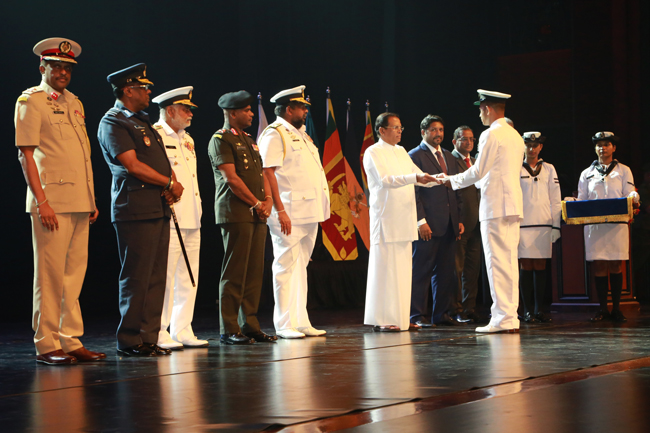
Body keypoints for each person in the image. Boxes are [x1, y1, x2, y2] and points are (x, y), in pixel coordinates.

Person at [15, 37, 105, 365]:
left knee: (73, 275)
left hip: (79, 200)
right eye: (56, 66)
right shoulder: (31, 101)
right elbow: (26, 155)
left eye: (67, 67)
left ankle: (70, 339)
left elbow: (81, 155)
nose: (63, 72)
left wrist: (91, 197)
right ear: (43, 67)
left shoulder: (75, 102)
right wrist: (41, 202)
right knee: (50, 276)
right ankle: (46, 342)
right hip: (51, 200)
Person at [98, 64, 183, 356]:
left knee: (156, 274)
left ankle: (149, 336)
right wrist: (169, 182)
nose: (149, 92)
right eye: (143, 87)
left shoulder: (142, 121)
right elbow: (131, 165)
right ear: (127, 90)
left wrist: (168, 186)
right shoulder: (114, 122)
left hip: (157, 205)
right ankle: (130, 339)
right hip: (134, 207)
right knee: (136, 275)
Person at [436, 90, 525, 333]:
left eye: (480, 108)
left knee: (497, 262)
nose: (479, 113)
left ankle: (501, 318)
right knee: (508, 262)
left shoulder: (490, 134)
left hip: (496, 205)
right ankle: (509, 316)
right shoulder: (515, 135)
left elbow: (478, 171)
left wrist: (450, 180)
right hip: (512, 205)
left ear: (487, 108)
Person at [258, 85, 330, 339]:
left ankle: (301, 320)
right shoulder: (274, 134)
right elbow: (267, 172)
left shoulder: (301, 135)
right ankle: (284, 323)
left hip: (309, 211)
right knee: (285, 265)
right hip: (288, 210)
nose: (305, 112)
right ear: (289, 110)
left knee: (301, 266)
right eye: (301, 108)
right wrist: (279, 209)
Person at [208, 90, 277, 345]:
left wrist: (267, 201)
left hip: (257, 212)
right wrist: (258, 203)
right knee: (234, 271)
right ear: (232, 113)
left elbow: (261, 175)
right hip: (236, 212)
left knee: (254, 272)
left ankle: (250, 324)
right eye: (246, 110)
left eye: (251, 110)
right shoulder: (221, 139)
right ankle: (229, 327)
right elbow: (231, 178)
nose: (251, 114)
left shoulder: (249, 139)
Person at [363, 112, 437, 332]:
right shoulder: (373, 152)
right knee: (385, 269)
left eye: (400, 128)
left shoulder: (402, 151)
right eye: (395, 127)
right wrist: (416, 178)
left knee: (403, 271)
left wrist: (438, 180)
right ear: (381, 130)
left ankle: (402, 318)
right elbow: (385, 180)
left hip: (404, 218)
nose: (399, 131)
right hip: (386, 218)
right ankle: (383, 318)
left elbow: (417, 175)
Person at [152, 86, 208, 349]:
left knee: (188, 275)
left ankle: (183, 328)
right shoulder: (155, 134)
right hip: (170, 215)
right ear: (170, 110)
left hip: (192, 215)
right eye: (186, 109)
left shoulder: (189, 139)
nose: (190, 114)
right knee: (165, 276)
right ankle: (160, 330)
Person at [575, 131, 639, 322]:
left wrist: (634, 198)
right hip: (595, 226)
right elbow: (582, 199)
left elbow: (629, 192)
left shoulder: (623, 170)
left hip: (616, 224)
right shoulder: (586, 173)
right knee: (599, 264)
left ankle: (617, 308)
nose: (602, 148)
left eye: (606, 144)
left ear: (614, 147)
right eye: (599, 145)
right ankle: (603, 308)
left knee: (616, 263)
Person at [409, 115, 464, 328]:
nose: (438, 133)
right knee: (421, 271)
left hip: (449, 224)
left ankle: (441, 314)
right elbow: (413, 193)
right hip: (428, 225)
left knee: (445, 272)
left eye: (441, 129)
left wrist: (457, 219)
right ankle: (416, 315)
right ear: (423, 132)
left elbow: (455, 187)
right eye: (433, 130)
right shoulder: (414, 156)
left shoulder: (450, 157)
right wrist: (420, 221)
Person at [518, 132, 561, 323]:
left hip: (544, 223)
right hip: (523, 224)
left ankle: (538, 309)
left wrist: (556, 226)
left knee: (541, 266)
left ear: (541, 147)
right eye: (528, 145)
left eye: (535, 145)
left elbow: (555, 199)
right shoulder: (516, 168)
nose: (532, 149)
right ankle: (526, 310)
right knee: (526, 265)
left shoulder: (549, 169)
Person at [450, 125, 483, 323]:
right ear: (455, 141)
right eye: (464, 139)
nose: (469, 142)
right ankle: (457, 309)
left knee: (472, 269)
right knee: (457, 269)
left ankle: (470, 308)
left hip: (478, 223)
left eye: (472, 139)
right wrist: (457, 219)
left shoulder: (476, 161)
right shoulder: (450, 160)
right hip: (460, 223)